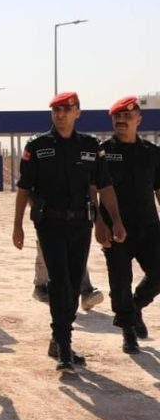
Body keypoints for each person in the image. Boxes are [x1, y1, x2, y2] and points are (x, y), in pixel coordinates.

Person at [13, 92, 127, 370]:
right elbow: (24, 188)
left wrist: (115, 221)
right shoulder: (37, 146)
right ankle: (64, 346)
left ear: (78, 112)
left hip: (80, 224)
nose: (61, 115)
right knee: (60, 282)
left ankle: (58, 338)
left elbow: (104, 186)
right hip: (49, 224)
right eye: (56, 110)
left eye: (67, 109)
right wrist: (17, 226)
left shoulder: (90, 146)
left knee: (75, 284)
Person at [98, 95, 160, 354]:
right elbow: (93, 190)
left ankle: (135, 307)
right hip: (116, 229)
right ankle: (128, 331)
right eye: (117, 117)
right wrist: (99, 224)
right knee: (120, 281)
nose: (121, 120)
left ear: (138, 120)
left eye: (127, 116)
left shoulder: (152, 153)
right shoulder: (103, 152)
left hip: (149, 227)